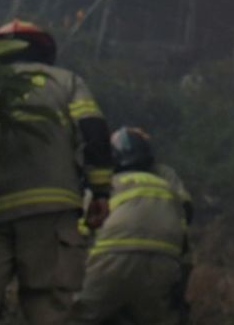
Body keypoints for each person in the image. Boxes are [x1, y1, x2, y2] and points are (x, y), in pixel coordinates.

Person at [0, 20, 113, 325]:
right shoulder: (66, 81)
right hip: (50, 213)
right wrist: (101, 192)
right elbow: (93, 133)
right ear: (43, 49)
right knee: (50, 309)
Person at [70, 126, 192, 325]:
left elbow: (79, 227)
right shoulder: (168, 185)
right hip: (164, 261)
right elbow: (185, 225)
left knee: (74, 317)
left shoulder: (105, 186)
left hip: (110, 259)